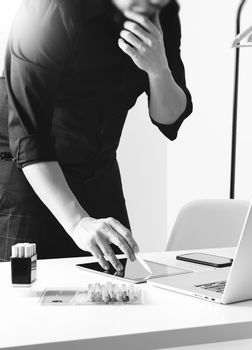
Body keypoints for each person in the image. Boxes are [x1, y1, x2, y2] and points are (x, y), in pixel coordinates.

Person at [0, 0, 192, 271]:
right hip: (30, 177)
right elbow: (28, 136)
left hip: (98, 172)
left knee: (113, 298)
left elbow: (169, 117)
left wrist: (158, 69)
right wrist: (78, 222)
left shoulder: (162, 13)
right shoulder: (50, 7)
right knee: (33, 300)